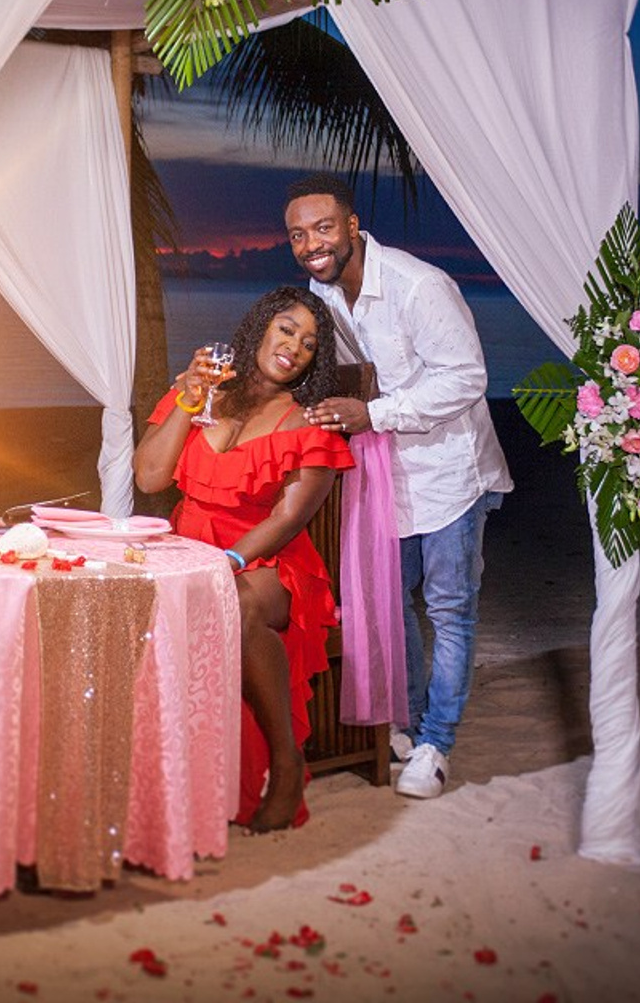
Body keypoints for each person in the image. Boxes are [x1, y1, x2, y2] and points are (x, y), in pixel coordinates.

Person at [283, 172, 512, 799]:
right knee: (387, 602)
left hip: (448, 473)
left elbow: (466, 377)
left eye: (323, 228)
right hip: (384, 476)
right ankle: (406, 725)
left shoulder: (419, 287)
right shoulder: (321, 293)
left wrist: (374, 415)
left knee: (448, 608)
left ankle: (437, 743)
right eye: (299, 235)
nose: (312, 244)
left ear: (353, 227)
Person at [133, 286, 353, 832]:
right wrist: (188, 397)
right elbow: (150, 477)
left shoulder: (305, 423)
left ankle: (285, 758)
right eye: (286, 329)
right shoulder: (205, 392)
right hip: (186, 549)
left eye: (308, 343)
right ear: (260, 327)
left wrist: (226, 561)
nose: (294, 347)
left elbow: (286, 521)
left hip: (267, 565)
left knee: (233, 603)